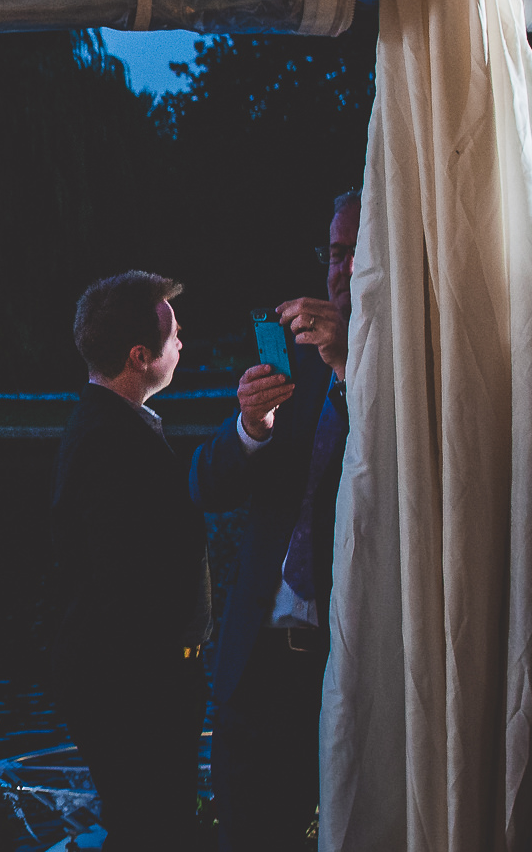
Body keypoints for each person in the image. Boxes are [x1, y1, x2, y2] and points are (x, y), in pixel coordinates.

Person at [190, 189, 359, 850]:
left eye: (357, 251)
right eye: (334, 251)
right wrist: (249, 426)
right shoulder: (291, 357)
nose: (340, 268)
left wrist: (350, 361)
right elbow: (205, 483)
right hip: (254, 668)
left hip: (346, 672)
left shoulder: (418, 364)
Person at [51, 270, 210, 852]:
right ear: (140, 356)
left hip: (131, 679)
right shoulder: (109, 440)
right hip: (133, 688)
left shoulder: (107, 423)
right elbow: (123, 583)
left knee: (152, 825)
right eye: (174, 335)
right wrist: (168, 675)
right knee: (153, 831)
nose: (182, 342)